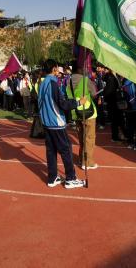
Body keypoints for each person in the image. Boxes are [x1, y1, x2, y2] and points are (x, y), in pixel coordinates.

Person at [38, 59, 86, 189]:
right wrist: (78, 102)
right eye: (57, 68)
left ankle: (52, 177)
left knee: (51, 151)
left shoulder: (42, 83)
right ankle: (70, 178)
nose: (59, 71)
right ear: (54, 69)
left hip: (47, 122)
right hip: (56, 122)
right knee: (66, 150)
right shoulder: (53, 83)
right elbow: (63, 104)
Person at [66, 62, 98, 169]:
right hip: (88, 112)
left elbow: (68, 96)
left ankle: (81, 159)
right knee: (89, 137)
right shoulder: (85, 80)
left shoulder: (68, 81)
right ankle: (87, 162)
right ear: (79, 69)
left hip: (76, 112)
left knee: (81, 137)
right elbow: (94, 93)